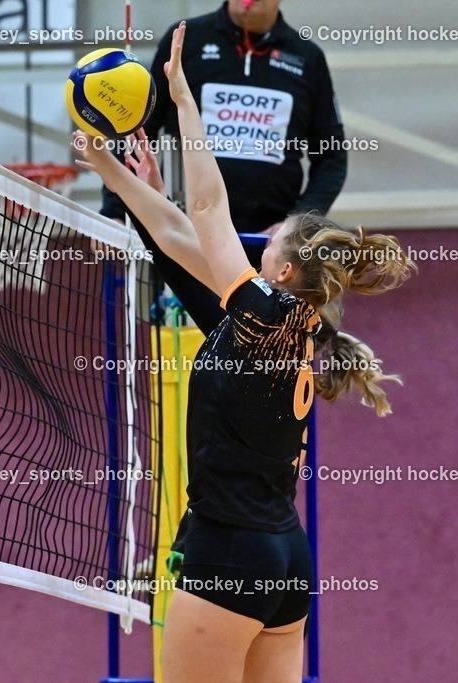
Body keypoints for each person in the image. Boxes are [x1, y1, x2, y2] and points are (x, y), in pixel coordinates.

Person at [74, 22, 413, 683]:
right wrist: (113, 168)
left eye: (276, 241)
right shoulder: (291, 325)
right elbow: (177, 235)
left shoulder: (261, 316)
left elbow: (205, 207)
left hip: (227, 556)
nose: (265, 242)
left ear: (281, 272)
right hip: (285, 559)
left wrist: (182, 97)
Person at [102, 0, 348, 333]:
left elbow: (332, 157)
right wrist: (115, 209)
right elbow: (137, 127)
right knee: (193, 350)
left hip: (270, 249)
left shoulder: (307, 58)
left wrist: (295, 228)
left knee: (271, 354)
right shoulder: (186, 41)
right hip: (190, 235)